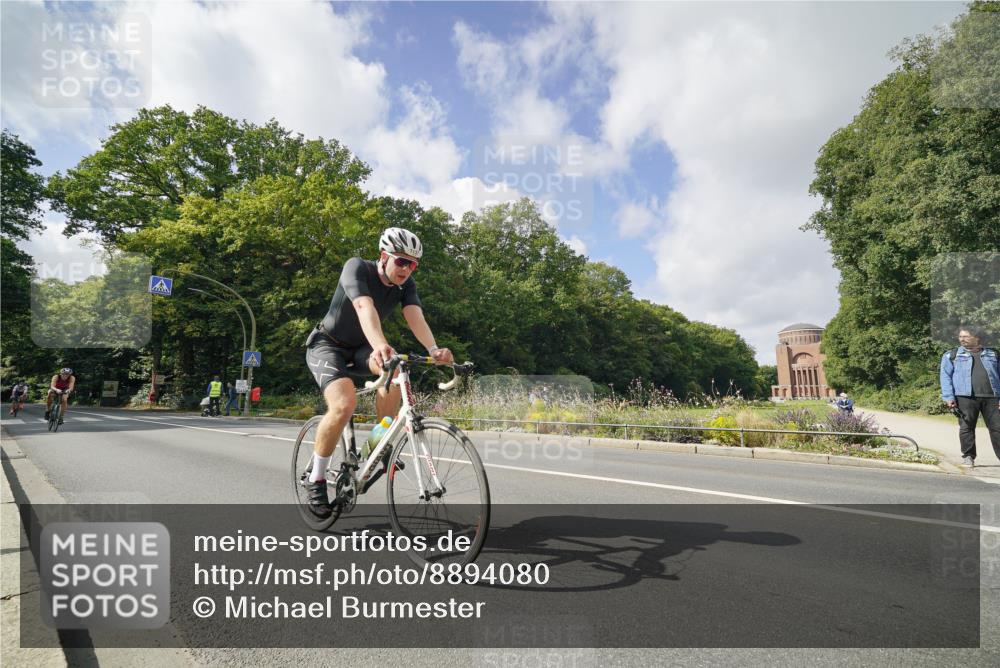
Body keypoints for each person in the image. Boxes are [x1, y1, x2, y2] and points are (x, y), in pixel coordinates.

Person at [303, 227, 453, 518]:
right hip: (327, 345)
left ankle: (378, 443)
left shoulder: (405, 285)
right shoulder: (356, 267)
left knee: (396, 370)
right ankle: (316, 479)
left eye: (413, 264)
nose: (407, 269)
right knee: (345, 404)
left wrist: (434, 349)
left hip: (362, 347)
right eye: (401, 261)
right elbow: (363, 305)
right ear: (384, 256)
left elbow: (414, 315)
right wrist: (382, 344)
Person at [940, 326, 1000, 467]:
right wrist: (949, 397)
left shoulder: (993, 355)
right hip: (965, 397)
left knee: (997, 428)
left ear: (977, 337)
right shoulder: (951, 355)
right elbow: (945, 377)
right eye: (960, 337)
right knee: (966, 427)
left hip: (992, 397)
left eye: (966, 336)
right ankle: (968, 456)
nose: (962, 339)